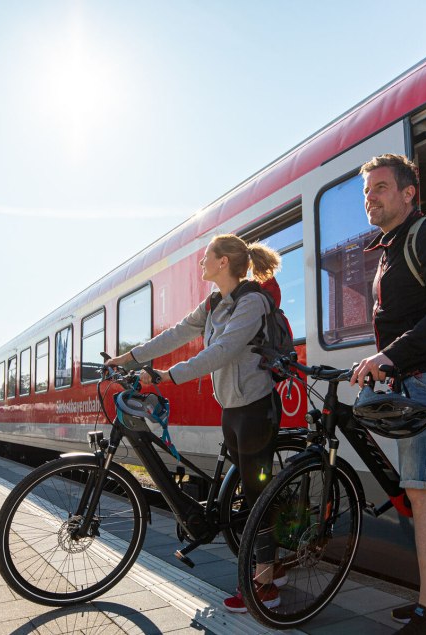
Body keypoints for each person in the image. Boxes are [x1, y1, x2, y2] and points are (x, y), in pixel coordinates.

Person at [104, 233, 285, 613]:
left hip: (255, 406)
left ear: (223, 262)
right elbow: (176, 334)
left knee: (256, 492)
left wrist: (167, 377)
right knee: (247, 486)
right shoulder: (215, 302)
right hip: (233, 407)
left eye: (207, 257)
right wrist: (131, 358)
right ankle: (273, 564)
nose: (201, 263)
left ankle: (267, 583)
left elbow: (223, 351)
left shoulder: (251, 302)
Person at [352, 154, 426, 635]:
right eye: (366, 191)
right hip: (417, 376)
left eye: (380, 187)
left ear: (408, 193)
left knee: (423, 494)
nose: (370, 197)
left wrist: (389, 358)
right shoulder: (391, 248)